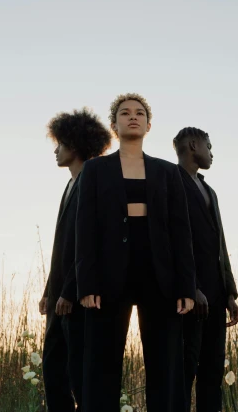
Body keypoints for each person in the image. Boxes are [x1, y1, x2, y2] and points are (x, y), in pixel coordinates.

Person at [75, 93, 196, 412]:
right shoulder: (95, 169)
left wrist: (186, 287)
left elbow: (182, 232)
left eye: (140, 113)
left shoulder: (168, 172)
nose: (133, 116)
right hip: (107, 276)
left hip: (160, 274)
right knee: (101, 364)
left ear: (149, 124)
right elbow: (84, 230)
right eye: (125, 113)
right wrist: (86, 285)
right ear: (114, 124)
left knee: (165, 364)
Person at [39, 107, 112, 412]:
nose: (56, 150)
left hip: (78, 296)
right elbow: (63, 247)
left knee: (79, 375)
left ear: (75, 144)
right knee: (53, 369)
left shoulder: (90, 184)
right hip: (59, 296)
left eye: (60, 144)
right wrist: (48, 291)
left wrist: (69, 290)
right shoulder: (70, 185)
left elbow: (90, 245)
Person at [173, 127, 238, 412]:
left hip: (215, 296)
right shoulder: (170, 181)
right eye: (209, 147)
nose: (212, 153)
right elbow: (172, 240)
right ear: (193, 145)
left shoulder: (209, 190)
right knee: (183, 371)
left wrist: (229, 293)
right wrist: (190, 288)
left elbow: (220, 245)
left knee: (212, 372)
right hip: (188, 300)